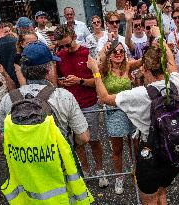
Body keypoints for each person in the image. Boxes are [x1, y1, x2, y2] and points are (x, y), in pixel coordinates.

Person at [87, 42, 179, 205]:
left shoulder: (140, 94)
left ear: (146, 69)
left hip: (152, 152)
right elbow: (173, 63)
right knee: (162, 192)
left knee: (149, 198)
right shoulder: (177, 81)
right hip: (174, 149)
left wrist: (95, 71)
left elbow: (104, 98)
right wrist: (162, 43)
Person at [0, 41, 94, 204]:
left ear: (24, 70)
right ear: (48, 69)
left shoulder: (9, 100)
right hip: (60, 175)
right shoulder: (63, 96)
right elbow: (84, 137)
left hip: (26, 176)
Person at [54, 24, 109, 188]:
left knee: (93, 140)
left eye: (67, 44)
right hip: (69, 106)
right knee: (76, 142)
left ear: (74, 37)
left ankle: (100, 171)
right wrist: (62, 82)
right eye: (61, 45)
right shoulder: (59, 56)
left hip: (88, 103)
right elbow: (56, 81)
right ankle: (85, 172)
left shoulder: (86, 53)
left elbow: (98, 81)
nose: (64, 48)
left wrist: (80, 81)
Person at [98, 40, 135, 194]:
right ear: (110, 55)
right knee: (117, 149)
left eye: (121, 51)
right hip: (114, 112)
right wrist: (104, 51)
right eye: (115, 52)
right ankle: (119, 178)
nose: (118, 54)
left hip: (131, 111)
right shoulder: (104, 70)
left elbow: (144, 61)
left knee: (134, 146)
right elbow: (94, 64)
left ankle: (136, 173)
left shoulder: (128, 66)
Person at [0, 16, 18, 86]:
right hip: (19, 82)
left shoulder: (14, 40)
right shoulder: (16, 41)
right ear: (1, 26)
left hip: (1, 87)